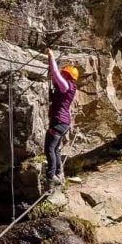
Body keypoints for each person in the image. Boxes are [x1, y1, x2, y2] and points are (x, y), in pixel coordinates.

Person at [44, 48, 78, 192]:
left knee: (49, 148)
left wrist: (51, 56)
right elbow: (55, 77)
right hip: (63, 123)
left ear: (67, 75)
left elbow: (56, 74)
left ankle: (51, 176)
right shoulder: (69, 87)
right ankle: (59, 172)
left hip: (58, 122)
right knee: (56, 149)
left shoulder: (65, 86)